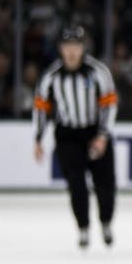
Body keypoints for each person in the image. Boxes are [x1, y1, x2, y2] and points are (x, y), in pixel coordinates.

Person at [33, 24, 118, 249]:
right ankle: (83, 227)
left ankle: (106, 222)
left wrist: (102, 136)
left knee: (105, 184)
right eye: (67, 45)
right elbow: (41, 108)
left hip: (94, 130)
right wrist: (38, 139)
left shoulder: (98, 72)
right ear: (61, 48)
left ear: (83, 47)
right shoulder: (51, 76)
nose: (72, 51)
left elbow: (109, 105)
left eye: (76, 45)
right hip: (68, 135)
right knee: (76, 184)